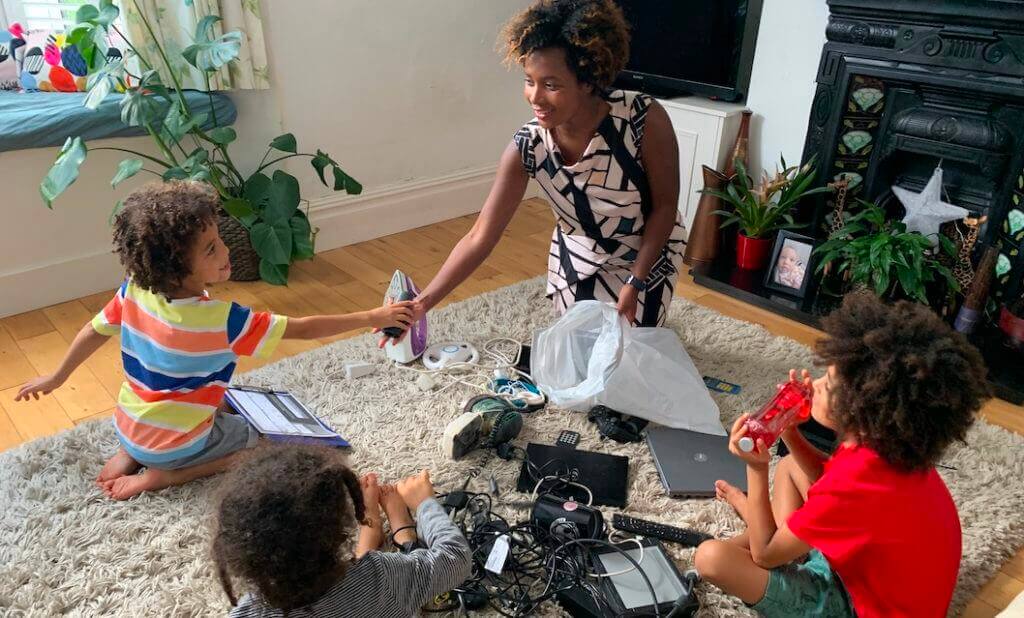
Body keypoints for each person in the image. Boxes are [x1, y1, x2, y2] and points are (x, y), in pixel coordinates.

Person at [14, 181, 413, 500]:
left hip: (129, 424)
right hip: (174, 446)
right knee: (265, 442)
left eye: (219, 238)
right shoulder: (223, 321)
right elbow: (305, 327)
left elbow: (91, 331)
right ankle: (166, 476)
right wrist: (373, 317)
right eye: (210, 249)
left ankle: (131, 452)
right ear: (174, 269)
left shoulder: (133, 290)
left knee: (198, 396)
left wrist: (56, 377)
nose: (225, 252)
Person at [393, 0, 686, 335]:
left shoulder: (642, 118)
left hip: (645, 249)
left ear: (588, 81)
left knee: (635, 347)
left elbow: (665, 207)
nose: (535, 97)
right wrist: (422, 303)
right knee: (583, 348)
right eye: (529, 80)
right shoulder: (528, 147)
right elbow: (480, 236)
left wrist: (635, 281)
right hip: (579, 254)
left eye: (551, 85)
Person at [695, 292, 990, 617]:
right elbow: (830, 484)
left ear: (862, 406)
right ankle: (772, 532)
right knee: (791, 467)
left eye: (829, 383)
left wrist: (756, 467)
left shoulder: (856, 480)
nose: (816, 384)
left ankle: (766, 530)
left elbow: (765, 556)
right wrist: (790, 429)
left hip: (862, 607)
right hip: (878, 572)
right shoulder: (887, 446)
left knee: (711, 557)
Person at [212, 444, 472, 616]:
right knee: (383, 580)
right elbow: (455, 559)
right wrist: (425, 504)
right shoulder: (384, 575)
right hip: (375, 593)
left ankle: (371, 533)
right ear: (341, 527)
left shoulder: (247, 613)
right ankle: (400, 532)